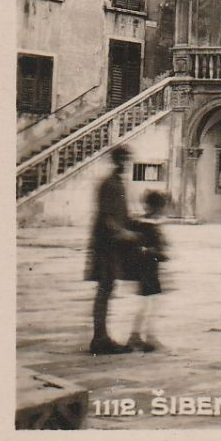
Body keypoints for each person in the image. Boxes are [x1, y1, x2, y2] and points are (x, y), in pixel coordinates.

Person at [84, 146, 140, 354]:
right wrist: (125, 233)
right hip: (106, 244)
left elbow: (121, 215)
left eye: (127, 160)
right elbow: (107, 217)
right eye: (123, 160)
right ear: (117, 161)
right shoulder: (109, 184)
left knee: (107, 288)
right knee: (104, 289)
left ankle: (102, 335)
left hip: (113, 245)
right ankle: (99, 337)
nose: (126, 164)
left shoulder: (117, 183)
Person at [125, 189, 169, 353]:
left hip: (150, 269)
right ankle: (142, 335)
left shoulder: (144, 223)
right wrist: (159, 253)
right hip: (148, 269)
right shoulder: (148, 225)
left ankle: (142, 335)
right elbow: (147, 248)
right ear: (156, 208)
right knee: (149, 303)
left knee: (150, 302)